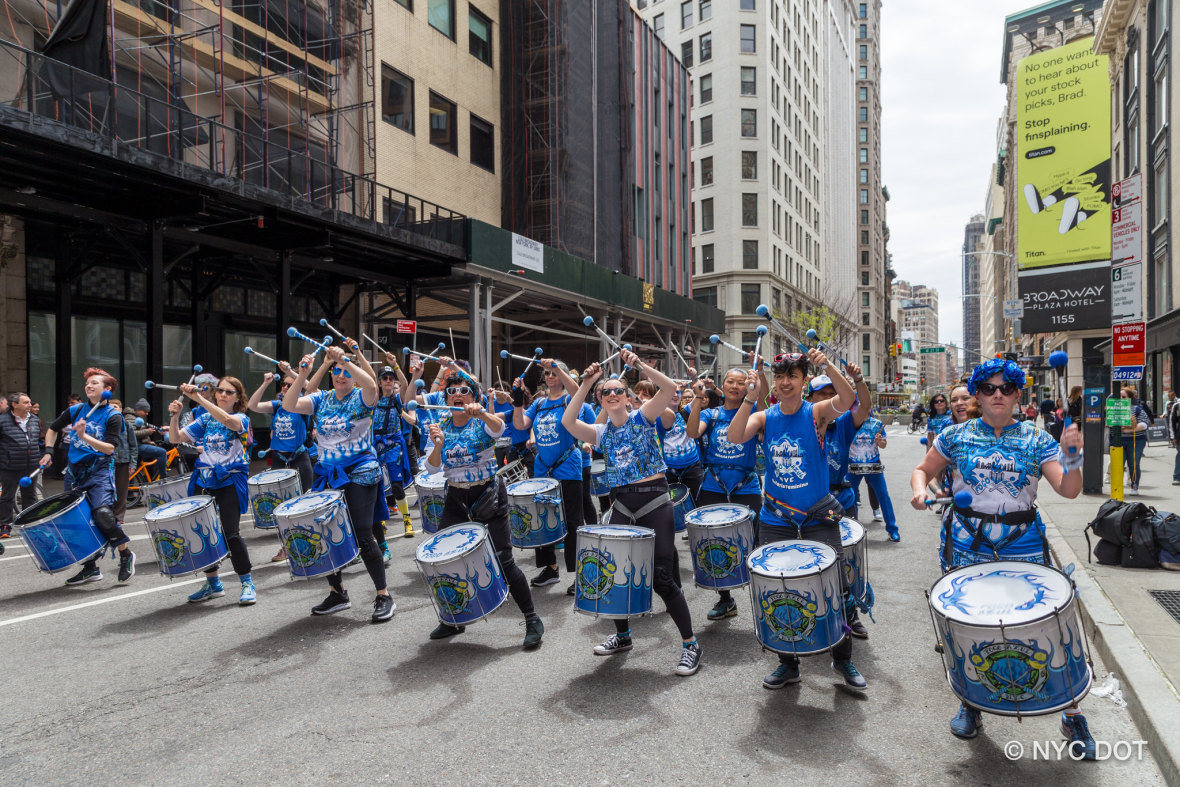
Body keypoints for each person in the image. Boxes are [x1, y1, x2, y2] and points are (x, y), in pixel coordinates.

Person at [908, 358, 1095, 756]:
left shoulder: (1037, 438)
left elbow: (1068, 490)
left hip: (1023, 541)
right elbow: (922, 471)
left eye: (1006, 389)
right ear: (976, 394)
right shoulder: (956, 436)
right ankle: (971, 704)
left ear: (1017, 395)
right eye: (989, 389)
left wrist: (1074, 457)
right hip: (968, 541)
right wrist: (921, 490)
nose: (997, 395)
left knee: (1049, 624)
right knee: (969, 624)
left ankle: (1071, 712)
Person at [727, 350, 868, 691]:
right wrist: (749, 397)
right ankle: (787, 664)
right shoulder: (766, 417)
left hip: (818, 515)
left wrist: (828, 366)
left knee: (834, 586)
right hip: (776, 518)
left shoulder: (816, 413)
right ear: (773, 382)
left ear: (804, 380)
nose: (786, 382)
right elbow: (735, 436)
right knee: (780, 587)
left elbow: (848, 399)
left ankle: (843, 660)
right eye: (780, 376)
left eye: (793, 376)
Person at [560, 350, 702, 676]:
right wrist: (585, 383)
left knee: (662, 579)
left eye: (617, 390)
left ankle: (691, 644)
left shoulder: (643, 418)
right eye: (605, 392)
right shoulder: (601, 433)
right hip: (622, 504)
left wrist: (639, 366)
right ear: (601, 400)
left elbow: (669, 390)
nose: (611, 394)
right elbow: (568, 422)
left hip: (654, 502)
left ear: (628, 397)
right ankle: (623, 636)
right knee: (616, 573)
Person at [423, 371, 544, 648]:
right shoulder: (440, 424)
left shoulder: (483, 420)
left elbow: (499, 430)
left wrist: (482, 413)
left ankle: (532, 618)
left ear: (474, 396)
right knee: (443, 558)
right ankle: (453, 618)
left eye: (464, 390)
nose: (457, 394)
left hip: (488, 493)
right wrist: (438, 445)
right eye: (452, 391)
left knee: (503, 560)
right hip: (456, 496)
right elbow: (431, 467)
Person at [282, 345, 396, 624]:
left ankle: (383, 595)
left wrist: (345, 358)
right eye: (336, 371)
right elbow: (289, 404)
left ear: (353, 375)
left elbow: (371, 384)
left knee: (362, 532)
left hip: (361, 470)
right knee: (326, 532)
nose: (340, 375)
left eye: (345, 371)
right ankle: (337, 592)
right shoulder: (321, 399)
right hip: (329, 472)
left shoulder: (363, 397)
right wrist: (306, 373)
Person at [40, 370, 136, 585]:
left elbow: (110, 448)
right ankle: (90, 567)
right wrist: (48, 451)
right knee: (77, 520)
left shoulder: (113, 416)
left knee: (102, 514)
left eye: (94, 383)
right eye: (87, 383)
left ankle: (125, 554)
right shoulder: (75, 410)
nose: (89, 386)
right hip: (74, 472)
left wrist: (83, 436)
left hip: (99, 470)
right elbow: (52, 429)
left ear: (107, 390)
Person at [168, 376, 257, 606]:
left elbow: (227, 420)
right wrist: (175, 416)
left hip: (229, 480)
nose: (224, 395)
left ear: (238, 397)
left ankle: (246, 582)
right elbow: (175, 438)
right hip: (204, 478)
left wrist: (197, 397)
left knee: (231, 533)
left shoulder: (241, 418)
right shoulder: (205, 418)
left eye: (229, 392)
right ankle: (213, 583)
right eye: (221, 391)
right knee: (202, 532)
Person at [686, 368, 765, 621]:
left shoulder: (753, 412)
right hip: (713, 484)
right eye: (730, 381)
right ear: (722, 384)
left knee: (755, 542)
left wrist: (759, 381)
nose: (734, 386)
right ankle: (725, 599)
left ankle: (763, 597)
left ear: (746, 388)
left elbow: (762, 405)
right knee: (715, 543)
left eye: (740, 383)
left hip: (746, 484)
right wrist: (698, 398)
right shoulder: (712, 413)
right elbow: (692, 432)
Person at [512, 360, 589, 592]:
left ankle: (581, 575)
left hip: (568, 468)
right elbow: (520, 424)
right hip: (542, 469)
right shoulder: (539, 403)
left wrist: (559, 368)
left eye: (555, 372)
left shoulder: (568, 399)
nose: (550, 376)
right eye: (547, 373)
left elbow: (578, 392)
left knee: (574, 521)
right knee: (542, 519)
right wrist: (517, 401)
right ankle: (550, 568)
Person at [247, 369, 316, 562]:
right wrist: (266, 383)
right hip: (279, 459)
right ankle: (286, 547)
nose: (285, 387)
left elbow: (311, 387)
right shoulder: (277, 406)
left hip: (299, 457)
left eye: (290, 384)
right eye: (283, 384)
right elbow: (252, 405)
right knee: (282, 506)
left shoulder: (304, 405)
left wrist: (295, 373)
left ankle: (309, 543)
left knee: (304, 502)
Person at [372, 365, 416, 548]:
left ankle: (407, 521)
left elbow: (405, 385)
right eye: (385, 378)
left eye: (391, 378)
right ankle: (381, 523)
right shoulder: (372, 399)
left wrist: (396, 365)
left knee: (397, 487)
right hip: (375, 445)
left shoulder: (398, 399)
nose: (389, 380)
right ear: (380, 381)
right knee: (378, 485)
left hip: (394, 445)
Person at [849, 408, 898, 542]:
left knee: (883, 495)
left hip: (873, 463)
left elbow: (883, 445)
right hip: (853, 464)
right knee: (850, 498)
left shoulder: (876, 424)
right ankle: (853, 531)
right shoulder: (848, 422)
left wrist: (879, 440)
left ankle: (892, 529)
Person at [0, 392, 43, 536]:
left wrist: (43, 457)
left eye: (29, 402)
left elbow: (38, 441)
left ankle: (28, 523)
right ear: (14, 404)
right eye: (25, 402)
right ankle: (5, 526)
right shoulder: (2, 420)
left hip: (31, 465)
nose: (29, 405)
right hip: (9, 466)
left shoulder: (35, 420)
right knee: (7, 496)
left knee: (30, 495)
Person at [110, 400, 138, 524]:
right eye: (110, 407)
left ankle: (119, 516)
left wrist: (132, 463)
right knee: (108, 489)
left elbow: (133, 445)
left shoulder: (126, 425)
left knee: (121, 490)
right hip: (108, 462)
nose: (113, 409)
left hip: (123, 460)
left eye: (115, 407)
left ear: (120, 409)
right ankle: (108, 515)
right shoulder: (105, 424)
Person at [1119, 387, 1149, 494]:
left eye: (1124, 397)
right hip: (1118, 441)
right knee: (1118, 464)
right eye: (1119, 397)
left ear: (1130, 398)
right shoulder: (1113, 409)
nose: (1121, 399)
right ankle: (1117, 488)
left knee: (1134, 464)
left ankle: (1134, 486)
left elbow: (1145, 423)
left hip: (1136, 440)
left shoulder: (1137, 409)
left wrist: (1130, 430)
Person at [132, 398, 169, 481]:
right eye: (145, 411)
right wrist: (147, 432)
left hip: (137, 445)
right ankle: (163, 477)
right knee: (162, 452)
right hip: (136, 447)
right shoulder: (131, 418)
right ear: (138, 409)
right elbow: (131, 434)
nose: (147, 414)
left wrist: (148, 442)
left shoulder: (136, 418)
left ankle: (130, 491)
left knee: (133, 470)